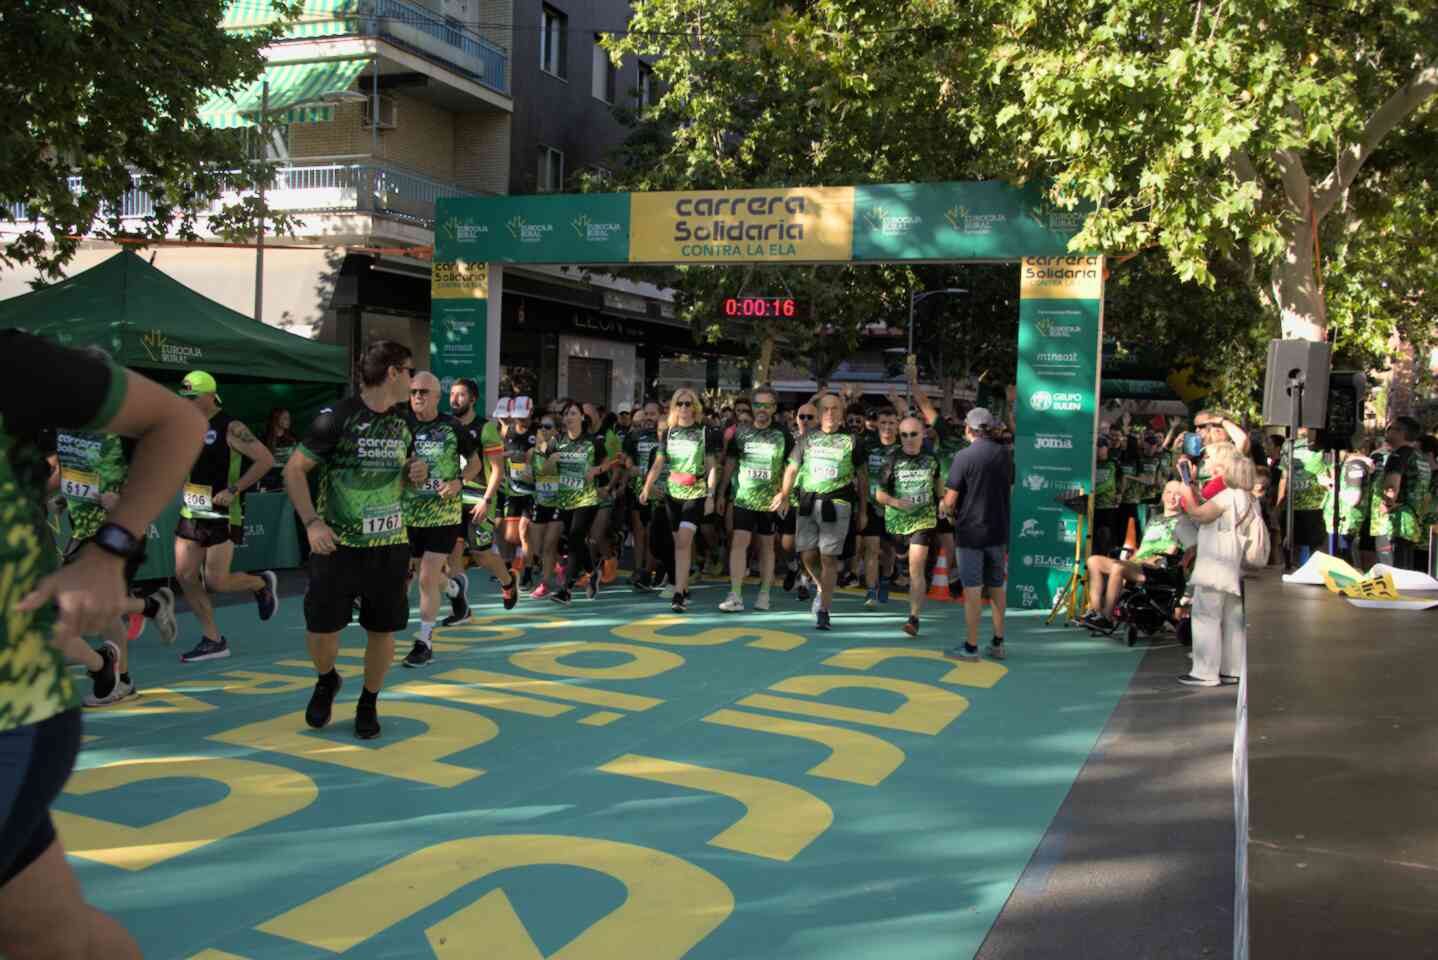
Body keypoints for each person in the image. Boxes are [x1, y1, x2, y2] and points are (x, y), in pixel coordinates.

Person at [1, 330, 206, 960]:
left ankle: (117, 662)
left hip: (15, 709)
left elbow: (176, 424)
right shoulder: (58, 437)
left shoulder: (17, 366)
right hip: (66, 548)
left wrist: (112, 548)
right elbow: (53, 475)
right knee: (56, 939)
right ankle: (124, 646)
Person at [283, 340, 428, 739]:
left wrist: (414, 472)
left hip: (389, 545)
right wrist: (312, 523)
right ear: (393, 373)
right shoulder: (337, 418)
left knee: (382, 630)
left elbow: (406, 474)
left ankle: (368, 701)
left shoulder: (404, 421)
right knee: (321, 631)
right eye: (410, 371)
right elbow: (293, 471)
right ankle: (326, 679)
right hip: (338, 546)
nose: (413, 380)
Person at [54, 392, 180, 706]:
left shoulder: (123, 429)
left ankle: (118, 678)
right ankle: (148, 611)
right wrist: (62, 496)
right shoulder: (64, 426)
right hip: (83, 529)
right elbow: (70, 469)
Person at [174, 371, 279, 663]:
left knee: (216, 581)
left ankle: (259, 584)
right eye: (185, 397)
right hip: (191, 509)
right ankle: (213, 639)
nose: (188, 402)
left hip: (222, 512)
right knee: (184, 575)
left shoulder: (231, 427)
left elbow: (265, 460)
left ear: (210, 395)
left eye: (193, 397)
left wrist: (234, 489)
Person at [400, 372, 488, 669]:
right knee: (421, 573)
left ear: (438, 397)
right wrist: (408, 469)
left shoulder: (452, 426)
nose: (418, 396)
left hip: (444, 513)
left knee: (426, 577)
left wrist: (458, 483)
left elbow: (475, 463)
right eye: (413, 391)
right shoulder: (403, 425)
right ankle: (454, 590)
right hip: (411, 512)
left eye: (424, 392)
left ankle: (424, 642)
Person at [773, 392, 868, 630]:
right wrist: (783, 494)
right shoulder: (807, 438)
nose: (830, 413)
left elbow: (863, 478)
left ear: (842, 413)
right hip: (807, 502)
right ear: (819, 413)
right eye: (825, 409)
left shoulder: (852, 440)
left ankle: (824, 610)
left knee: (828, 557)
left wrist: (863, 511)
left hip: (837, 503)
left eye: (835, 409)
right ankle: (821, 587)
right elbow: (792, 469)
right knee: (807, 555)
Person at [1179, 448, 1256, 686]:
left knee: (1206, 616)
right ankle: (1232, 669)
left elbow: (1198, 514)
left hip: (1215, 564)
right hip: (1234, 565)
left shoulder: (1228, 495)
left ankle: (1204, 672)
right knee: (1232, 618)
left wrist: (1186, 490)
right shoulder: (1249, 498)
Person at [940, 408, 1012, 661]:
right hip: (998, 530)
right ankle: (998, 642)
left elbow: (950, 501)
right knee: (996, 587)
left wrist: (943, 507)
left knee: (972, 589)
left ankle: (971, 647)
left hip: (970, 532)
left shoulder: (963, 457)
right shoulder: (1005, 454)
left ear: (968, 429)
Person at [641, 387, 720, 613]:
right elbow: (658, 463)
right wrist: (647, 487)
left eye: (688, 403)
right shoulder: (668, 433)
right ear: (674, 407)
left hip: (696, 493)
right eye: (680, 403)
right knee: (679, 545)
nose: (684, 407)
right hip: (672, 494)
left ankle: (678, 593)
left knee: (684, 542)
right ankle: (683, 587)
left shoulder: (705, 432)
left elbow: (711, 467)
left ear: (695, 407)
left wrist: (711, 495)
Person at [717, 386, 793, 612]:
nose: (762, 409)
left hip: (770, 501)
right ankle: (735, 595)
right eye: (758, 404)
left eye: (767, 405)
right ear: (752, 406)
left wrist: (784, 495)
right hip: (743, 499)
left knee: (767, 547)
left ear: (774, 408)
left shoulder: (783, 434)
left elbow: (792, 468)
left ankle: (764, 594)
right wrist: (721, 493)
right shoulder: (741, 432)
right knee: (739, 542)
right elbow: (730, 463)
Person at [1081, 481, 1196, 630]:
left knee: (1118, 567)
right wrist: (1133, 558)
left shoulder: (1183, 521)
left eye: (1177, 494)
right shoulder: (1154, 519)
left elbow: (1184, 550)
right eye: (1168, 492)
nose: (1172, 497)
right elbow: (1144, 547)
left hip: (1159, 569)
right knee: (1094, 561)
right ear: (1162, 495)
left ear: (1183, 498)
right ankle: (1096, 612)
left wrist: (1160, 560)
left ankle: (1107, 617)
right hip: (1139, 564)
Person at [874, 416, 943, 636]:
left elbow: (938, 484)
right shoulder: (892, 460)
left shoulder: (931, 458)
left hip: (923, 519)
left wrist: (942, 501)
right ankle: (898, 565)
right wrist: (896, 502)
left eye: (913, 434)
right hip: (897, 522)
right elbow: (879, 494)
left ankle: (914, 618)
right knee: (902, 558)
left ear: (923, 435)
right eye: (904, 435)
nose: (909, 439)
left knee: (916, 568)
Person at [540, 399, 615, 604]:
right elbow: (545, 472)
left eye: (573, 413)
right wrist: (551, 461)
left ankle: (566, 590)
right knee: (576, 542)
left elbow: (607, 463)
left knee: (575, 538)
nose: (569, 417)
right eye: (566, 414)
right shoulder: (556, 441)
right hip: (564, 499)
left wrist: (597, 470)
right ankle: (593, 571)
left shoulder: (593, 441)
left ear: (582, 417)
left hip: (587, 499)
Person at [1370, 416, 1429, 571]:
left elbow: (1391, 486)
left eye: (1391, 428)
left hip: (1393, 523)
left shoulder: (1399, 455)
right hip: (1412, 524)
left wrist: (1387, 504)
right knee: (1404, 570)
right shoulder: (1421, 458)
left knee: (1389, 572)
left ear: (1401, 432)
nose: (1387, 432)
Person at [861, 405, 900, 609]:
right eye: (883, 423)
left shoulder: (903, 447)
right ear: (877, 424)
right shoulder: (868, 445)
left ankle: (885, 579)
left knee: (888, 550)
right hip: (871, 505)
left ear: (897, 424)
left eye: (891, 423)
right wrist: (861, 510)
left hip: (894, 508)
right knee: (871, 548)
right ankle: (870, 590)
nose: (887, 427)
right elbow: (862, 476)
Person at [622, 400, 664, 591]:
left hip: (660, 490)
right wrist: (631, 468)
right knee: (639, 531)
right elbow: (627, 460)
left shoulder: (665, 435)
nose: (648, 418)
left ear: (660, 415)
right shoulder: (634, 435)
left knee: (653, 532)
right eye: (646, 414)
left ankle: (649, 571)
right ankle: (638, 570)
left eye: (652, 414)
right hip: (639, 490)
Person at [780, 401, 819, 601]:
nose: (805, 420)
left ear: (818, 419)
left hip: (812, 499)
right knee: (787, 544)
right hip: (790, 498)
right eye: (801, 416)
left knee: (807, 546)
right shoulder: (789, 438)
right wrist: (782, 494)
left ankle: (804, 581)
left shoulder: (823, 440)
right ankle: (793, 567)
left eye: (810, 417)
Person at [260, 407, 299, 490]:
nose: (289, 421)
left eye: (289, 418)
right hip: (269, 481)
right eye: (285, 418)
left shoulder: (293, 438)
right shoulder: (264, 440)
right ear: (276, 419)